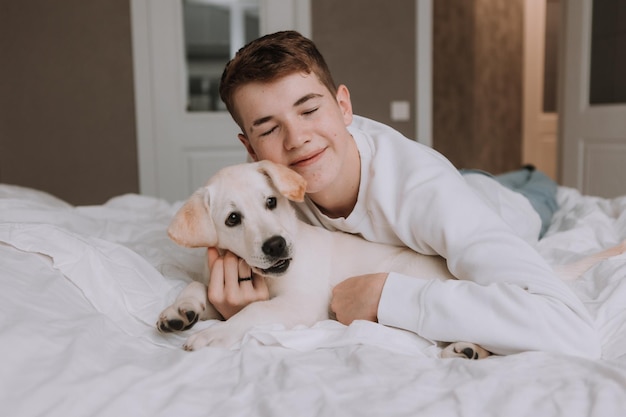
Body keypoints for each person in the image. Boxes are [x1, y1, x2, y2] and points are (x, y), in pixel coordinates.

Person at [205, 30, 600, 358]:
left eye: (309, 110)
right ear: (251, 150)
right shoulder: (268, 196)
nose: (298, 139)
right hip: (447, 181)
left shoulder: (427, 191)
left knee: (535, 185)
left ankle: (535, 178)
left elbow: (571, 330)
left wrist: (388, 297)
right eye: (270, 129)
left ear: (344, 106)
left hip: (499, 199)